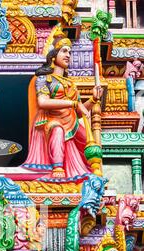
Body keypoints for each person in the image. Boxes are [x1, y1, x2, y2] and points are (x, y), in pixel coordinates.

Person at [22, 27, 103, 179]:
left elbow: (80, 112)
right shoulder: (45, 79)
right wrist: (72, 104)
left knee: (90, 140)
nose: (68, 55)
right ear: (53, 56)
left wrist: (93, 99)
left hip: (72, 121)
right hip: (52, 120)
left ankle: (91, 173)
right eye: (64, 51)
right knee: (58, 130)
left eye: (70, 52)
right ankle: (58, 168)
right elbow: (43, 102)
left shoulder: (71, 84)